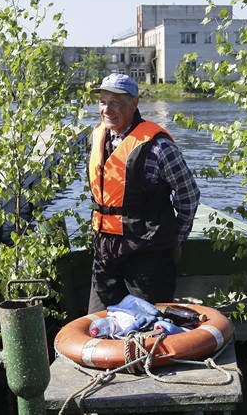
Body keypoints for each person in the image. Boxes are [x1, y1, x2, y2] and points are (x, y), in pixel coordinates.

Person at [87, 73, 200, 314]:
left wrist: (177, 240)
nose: (107, 109)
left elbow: (188, 194)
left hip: (147, 253)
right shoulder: (97, 137)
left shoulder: (158, 147)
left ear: (135, 103)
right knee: (98, 321)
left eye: (115, 102)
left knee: (147, 328)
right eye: (103, 101)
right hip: (105, 251)